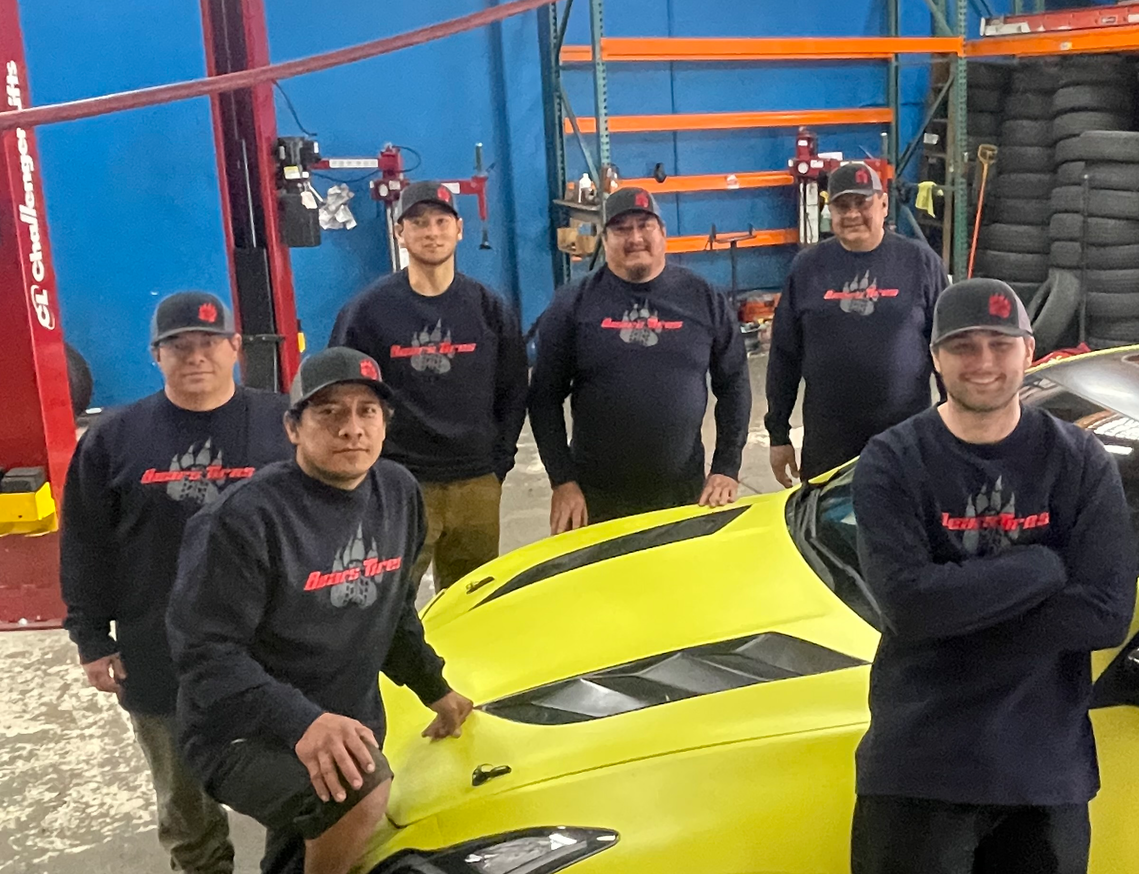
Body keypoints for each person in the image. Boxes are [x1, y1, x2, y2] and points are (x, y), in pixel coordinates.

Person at [849, 279, 1138, 874]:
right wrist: (1045, 565)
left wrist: (963, 610)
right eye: (964, 346)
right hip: (919, 766)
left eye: (1000, 345)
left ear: (1028, 353)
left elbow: (1106, 613)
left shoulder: (1076, 460)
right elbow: (907, 605)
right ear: (936, 358)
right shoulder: (894, 460)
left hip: (1042, 772)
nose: (984, 361)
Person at [167, 347, 474, 874]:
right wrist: (302, 722)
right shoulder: (242, 521)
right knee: (360, 791)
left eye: (367, 412)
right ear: (293, 428)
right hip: (241, 732)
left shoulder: (398, 493)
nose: (352, 429)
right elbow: (205, 654)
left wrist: (436, 688)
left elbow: (394, 612)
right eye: (329, 414)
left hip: (332, 733)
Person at [59, 290, 292, 874]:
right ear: (156, 356)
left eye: (209, 343)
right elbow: (85, 543)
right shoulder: (116, 438)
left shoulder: (281, 423)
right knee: (180, 775)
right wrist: (90, 638)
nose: (196, 357)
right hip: (158, 640)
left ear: (235, 349)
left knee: (293, 760)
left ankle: (297, 872)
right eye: (179, 346)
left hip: (271, 638)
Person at [329, 179, 528, 592]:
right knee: (387, 601)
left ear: (459, 230)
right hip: (400, 481)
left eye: (441, 221)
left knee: (471, 604)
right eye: (418, 223)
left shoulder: (488, 307)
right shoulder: (368, 312)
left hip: (476, 483)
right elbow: (341, 394)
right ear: (400, 233)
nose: (431, 231)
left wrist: (499, 462)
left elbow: (513, 388)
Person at [529, 185, 750, 531]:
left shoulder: (702, 297)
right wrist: (563, 481)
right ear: (604, 239)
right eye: (621, 229)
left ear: (663, 233)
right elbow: (543, 398)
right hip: (595, 499)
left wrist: (726, 466)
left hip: (684, 494)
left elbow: (734, 383)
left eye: (644, 226)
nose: (634, 238)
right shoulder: (573, 303)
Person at [765, 161, 948, 486]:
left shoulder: (920, 262)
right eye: (842, 205)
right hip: (828, 444)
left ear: (883, 204)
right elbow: (784, 356)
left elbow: (949, 349)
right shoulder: (807, 267)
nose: (851, 214)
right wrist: (778, 435)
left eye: (861, 203)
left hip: (905, 440)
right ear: (829, 209)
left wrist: (955, 424)